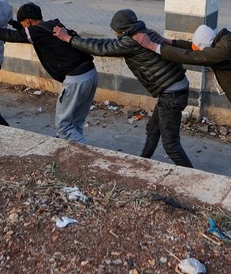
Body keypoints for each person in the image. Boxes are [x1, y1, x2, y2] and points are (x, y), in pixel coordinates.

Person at [54, 9, 193, 167]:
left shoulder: (131, 42)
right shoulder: (145, 33)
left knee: (171, 145)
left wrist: (69, 39)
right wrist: (77, 39)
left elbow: (101, 49)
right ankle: (142, 162)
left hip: (171, 95)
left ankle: (194, 177)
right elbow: (107, 44)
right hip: (175, 90)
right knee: (153, 129)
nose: (115, 34)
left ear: (123, 29)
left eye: (116, 31)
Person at [133, 24, 231, 179]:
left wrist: (153, 46)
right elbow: (194, 49)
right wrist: (170, 42)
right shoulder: (222, 42)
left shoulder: (224, 50)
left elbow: (194, 56)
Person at [0, 2, 98, 143]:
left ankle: (85, 155)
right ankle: (74, 149)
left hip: (76, 79)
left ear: (28, 21)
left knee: (64, 127)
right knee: (75, 122)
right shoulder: (52, 25)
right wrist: (13, 22)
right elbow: (24, 33)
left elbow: (11, 36)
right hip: (90, 73)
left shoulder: (36, 31)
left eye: (24, 25)